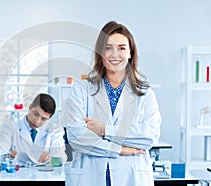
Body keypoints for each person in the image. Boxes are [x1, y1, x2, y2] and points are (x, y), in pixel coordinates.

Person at [62, 21, 161, 186]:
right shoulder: (81, 89)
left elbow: (148, 137)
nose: (115, 54)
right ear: (100, 53)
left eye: (121, 48)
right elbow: (77, 137)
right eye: (108, 48)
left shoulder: (145, 94)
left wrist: (103, 130)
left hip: (131, 177)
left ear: (130, 53)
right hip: (90, 176)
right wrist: (120, 149)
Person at [0, 93, 67, 165]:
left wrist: (52, 158)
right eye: (36, 114)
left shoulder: (56, 130)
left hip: (43, 176)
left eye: (43, 119)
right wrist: (7, 155)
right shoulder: (10, 126)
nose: (37, 121)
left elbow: (61, 157)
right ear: (30, 107)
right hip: (17, 175)